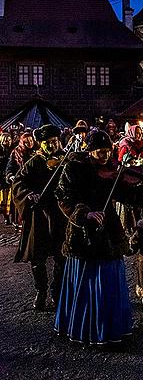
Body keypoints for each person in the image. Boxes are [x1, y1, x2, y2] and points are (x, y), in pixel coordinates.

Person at [54, 130, 134, 346]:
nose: (106, 157)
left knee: (109, 277)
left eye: (108, 152)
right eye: (100, 152)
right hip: (82, 232)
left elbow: (125, 194)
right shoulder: (73, 167)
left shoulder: (111, 169)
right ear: (89, 151)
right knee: (86, 279)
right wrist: (84, 214)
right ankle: (84, 327)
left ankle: (110, 326)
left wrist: (140, 186)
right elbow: (63, 196)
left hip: (109, 227)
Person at [12, 124, 67, 310]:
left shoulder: (65, 159)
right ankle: (40, 291)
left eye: (54, 141)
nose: (52, 146)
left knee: (61, 255)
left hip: (59, 213)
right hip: (40, 214)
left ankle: (56, 291)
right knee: (38, 256)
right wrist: (29, 194)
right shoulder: (35, 162)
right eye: (47, 143)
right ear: (40, 144)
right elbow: (18, 182)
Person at [5, 131, 36, 227]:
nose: (30, 143)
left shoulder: (36, 152)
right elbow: (10, 167)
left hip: (33, 183)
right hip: (21, 182)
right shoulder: (16, 152)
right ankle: (18, 222)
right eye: (27, 142)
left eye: (31, 141)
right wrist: (10, 175)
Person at [0, 133, 13, 225]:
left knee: (8, 198)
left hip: (7, 177)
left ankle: (7, 216)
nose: (8, 142)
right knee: (3, 198)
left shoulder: (12, 150)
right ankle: (5, 216)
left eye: (9, 140)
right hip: (1, 176)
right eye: (6, 140)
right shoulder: (1, 150)